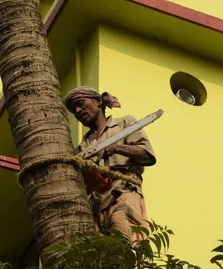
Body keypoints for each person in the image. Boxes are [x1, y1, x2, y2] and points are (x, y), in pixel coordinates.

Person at [64, 86, 156, 243]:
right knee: (101, 253)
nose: (78, 111)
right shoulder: (81, 148)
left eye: (80, 103)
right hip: (95, 204)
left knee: (122, 234)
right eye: (74, 111)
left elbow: (147, 156)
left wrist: (117, 148)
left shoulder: (124, 124)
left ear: (98, 101)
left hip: (123, 191)